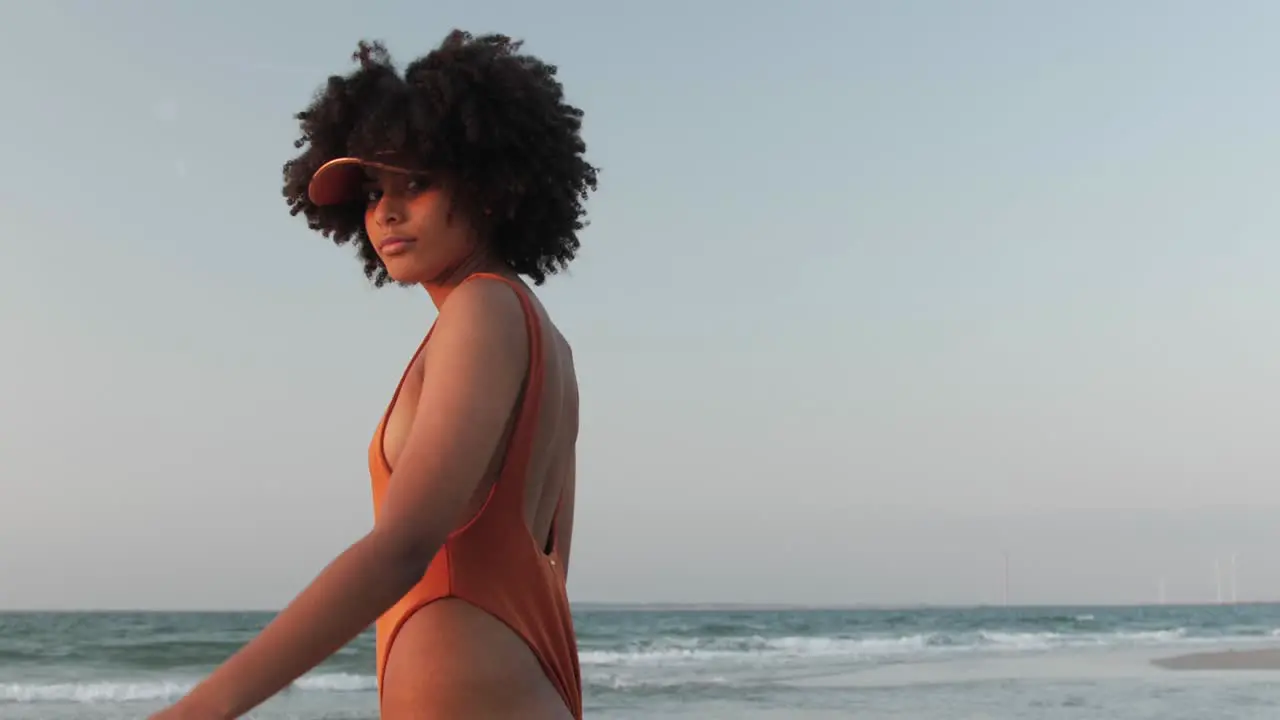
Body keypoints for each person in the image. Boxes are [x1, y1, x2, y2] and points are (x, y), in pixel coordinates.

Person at [150, 30, 597, 720]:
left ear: (485, 185)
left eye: (416, 183)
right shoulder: (539, 337)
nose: (386, 210)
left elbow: (403, 548)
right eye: (373, 191)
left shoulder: (482, 309)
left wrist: (194, 712)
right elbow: (538, 573)